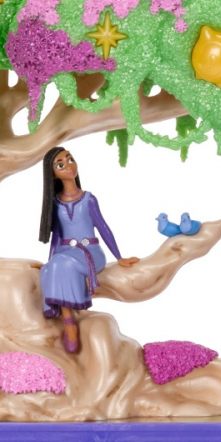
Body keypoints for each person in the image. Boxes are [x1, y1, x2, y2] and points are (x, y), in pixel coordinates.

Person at [38, 146, 138, 352]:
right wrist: (50, 262)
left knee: (61, 264)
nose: (69, 166)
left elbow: (103, 227)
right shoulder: (56, 204)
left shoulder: (88, 199)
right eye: (60, 165)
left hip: (89, 252)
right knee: (51, 268)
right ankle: (69, 320)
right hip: (65, 253)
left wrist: (119, 256)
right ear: (53, 174)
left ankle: (70, 325)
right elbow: (56, 237)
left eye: (70, 159)